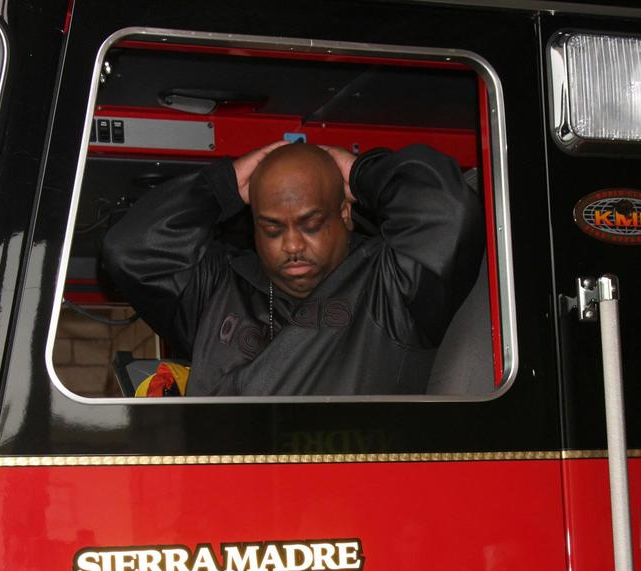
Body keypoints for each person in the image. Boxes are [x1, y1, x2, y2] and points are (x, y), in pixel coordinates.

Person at [102, 140, 484, 396]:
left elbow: (449, 213)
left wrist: (359, 173)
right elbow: (131, 250)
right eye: (271, 228)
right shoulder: (218, 289)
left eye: (311, 224)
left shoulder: (391, 286)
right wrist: (224, 186)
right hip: (224, 505)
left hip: (344, 507)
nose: (292, 245)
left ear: (345, 213)